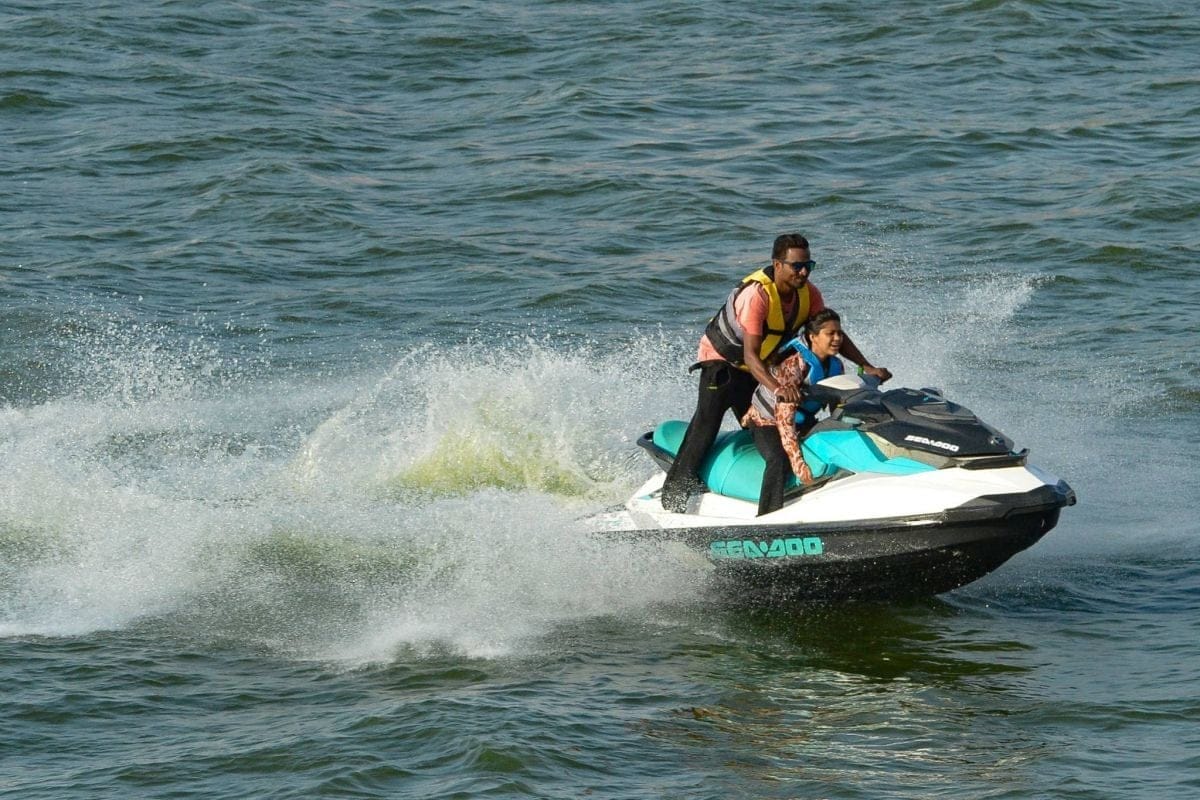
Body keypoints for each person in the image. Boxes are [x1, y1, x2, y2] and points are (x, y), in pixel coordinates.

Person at [660, 233, 891, 513]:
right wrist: (778, 387)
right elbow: (750, 355)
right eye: (796, 266)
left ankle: (755, 495)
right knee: (705, 428)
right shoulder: (757, 295)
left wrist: (865, 365)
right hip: (722, 365)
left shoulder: (810, 294)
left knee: (766, 428)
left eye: (809, 265)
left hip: (757, 371)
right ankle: (673, 501)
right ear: (777, 264)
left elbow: (828, 334)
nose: (803, 272)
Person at [741, 308, 847, 516]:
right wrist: (798, 462)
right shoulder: (793, 365)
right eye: (830, 334)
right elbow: (784, 420)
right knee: (778, 460)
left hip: (802, 420)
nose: (837, 338)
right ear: (813, 337)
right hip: (767, 422)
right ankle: (767, 519)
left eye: (839, 333)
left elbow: (838, 406)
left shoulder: (836, 365)